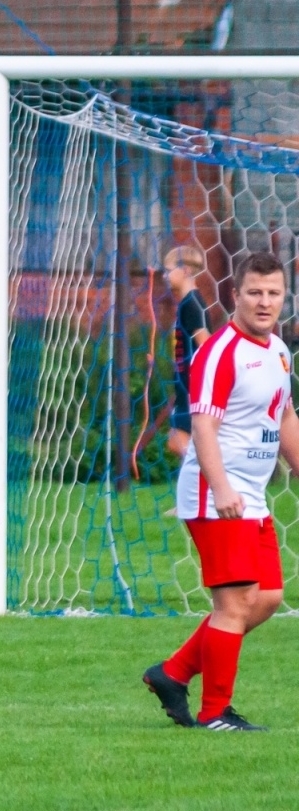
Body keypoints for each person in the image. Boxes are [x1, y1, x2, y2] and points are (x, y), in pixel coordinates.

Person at [141, 251, 298, 731]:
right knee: (233, 604)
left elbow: (286, 416)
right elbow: (203, 428)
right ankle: (215, 713)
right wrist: (222, 486)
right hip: (217, 494)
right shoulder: (221, 352)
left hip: (249, 494)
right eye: (255, 292)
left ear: (284, 296)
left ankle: (173, 673)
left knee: (267, 597)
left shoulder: (278, 351)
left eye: (273, 293)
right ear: (235, 294)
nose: (264, 302)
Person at [164, 245, 212, 459]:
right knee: (179, 443)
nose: (165, 275)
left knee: (178, 444)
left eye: (169, 269)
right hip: (185, 387)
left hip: (193, 388)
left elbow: (207, 346)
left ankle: (213, 473)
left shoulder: (192, 304)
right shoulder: (186, 303)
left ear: (186, 270)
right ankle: (206, 477)